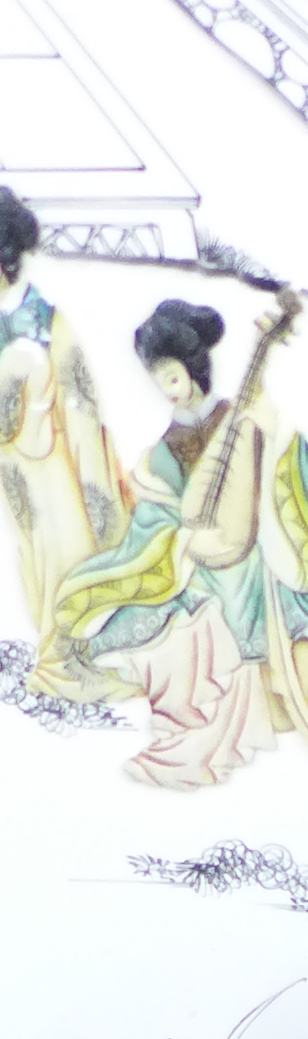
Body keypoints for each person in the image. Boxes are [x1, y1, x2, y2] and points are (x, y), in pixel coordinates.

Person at [46, 293, 308, 787]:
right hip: (196, 561)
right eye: (157, 378)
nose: (166, 388)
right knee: (193, 613)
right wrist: (181, 544)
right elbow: (158, 515)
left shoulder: (242, 418)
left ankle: (271, 678)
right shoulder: (164, 452)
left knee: (290, 662)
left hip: (252, 555)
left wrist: (274, 445)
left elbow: (290, 470)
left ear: (194, 368)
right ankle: (218, 711)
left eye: (171, 375)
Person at [0, 187, 130, 686]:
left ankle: (64, 661)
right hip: (13, 470)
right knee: (33, 562)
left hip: (50, 464)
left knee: (65, 553)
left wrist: (99, 494)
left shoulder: (47, 323)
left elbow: (81, 409)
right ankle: (54, 661)